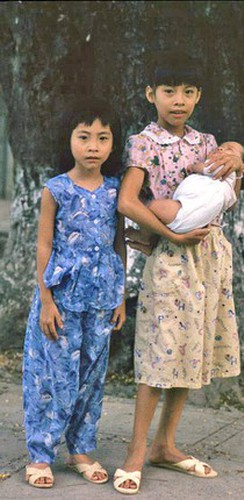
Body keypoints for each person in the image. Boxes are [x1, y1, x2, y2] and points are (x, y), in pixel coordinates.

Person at [113, 52, 244, 495]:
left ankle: (165, 445)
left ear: (199, 96)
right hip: (171, 258)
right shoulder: (144, 143)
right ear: (151, 94)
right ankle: (136, 450)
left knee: (191, 349)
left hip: (208, 256)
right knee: (159, 351)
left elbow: (228, 193)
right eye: (169, 91)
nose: (178, 100)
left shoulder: (208, 142)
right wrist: (168, 232)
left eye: (188, 92)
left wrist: (236, 163)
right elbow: (128, 202)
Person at [23, 98, 126, 489]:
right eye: (84, 137)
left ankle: (81, 448)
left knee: (90, 377)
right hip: (62, 298)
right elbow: (44, 245)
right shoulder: (56, 189)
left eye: (102, 138)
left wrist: (119, 297)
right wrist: (46, 299)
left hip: (101, 299)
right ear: (69, 140)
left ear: (113, 144)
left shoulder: (116, 191)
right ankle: (41, 452)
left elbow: (120, 245)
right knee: (54, 375)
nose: (93, 146)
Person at [125, 141, 244, 255]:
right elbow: (231, 202)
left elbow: (206, 168)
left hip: (185, 215)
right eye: (220, 146)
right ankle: (149, 238)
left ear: (243, 166)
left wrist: (194, 167)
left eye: (229, 149)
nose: (220, 148)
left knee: (152, 207)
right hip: (195, 225)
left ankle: (145, 236)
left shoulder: (224, 166)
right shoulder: (227, 189)